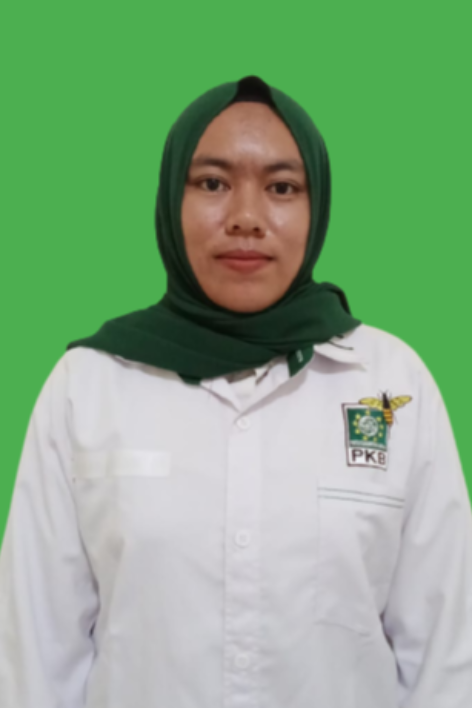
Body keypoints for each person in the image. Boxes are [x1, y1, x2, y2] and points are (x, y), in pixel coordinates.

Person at [0, 74, 471, 708]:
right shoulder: (89, 385)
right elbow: (36, 656)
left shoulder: (392, 383)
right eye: (212, 183)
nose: (246, 218)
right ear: (171, 198)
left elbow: (444, 657)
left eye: (282, 188)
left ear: (317, 206)